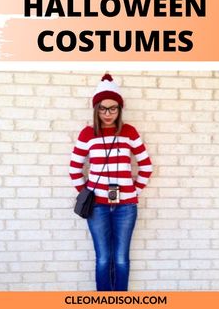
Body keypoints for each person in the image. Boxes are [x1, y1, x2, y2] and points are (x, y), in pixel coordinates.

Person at [69, 73, 153, 291]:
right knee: (104, 259)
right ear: (96, 109)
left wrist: (133, 191)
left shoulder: (129, 132)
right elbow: (74, 169)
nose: (108, 113)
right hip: (97, 207)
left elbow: (146, 165)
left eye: (113, 108)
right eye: (103, 108)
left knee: (121, 259)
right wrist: (86, 193)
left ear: (120, 109)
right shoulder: (88, 133)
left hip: (126, 206)